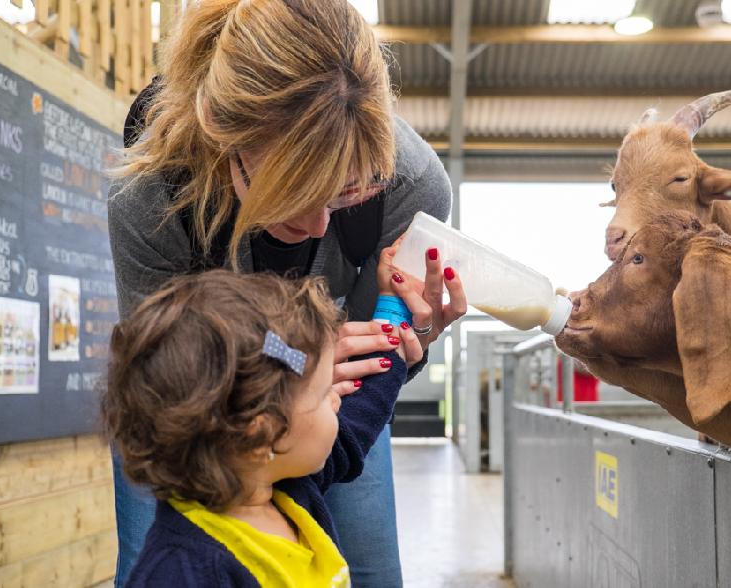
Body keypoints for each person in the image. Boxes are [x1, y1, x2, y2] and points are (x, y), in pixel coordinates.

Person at [107, 0, 466, 585]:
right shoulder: (150, 195)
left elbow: (356, 386)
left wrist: (403, 337)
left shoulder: (408, 182)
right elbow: (164, 383)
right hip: (195, 413)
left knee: (371, 567)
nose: (320, 224)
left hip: (314, 401)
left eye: (344, 194)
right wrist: (301, 365)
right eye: (292, 192)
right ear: (224, 138)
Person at [102, 266, 420, 586]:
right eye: (324, 393)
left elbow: (357, 421)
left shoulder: (287, 488)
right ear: (262, 433)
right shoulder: (180, 571)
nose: (338, 402)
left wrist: (393, 317)